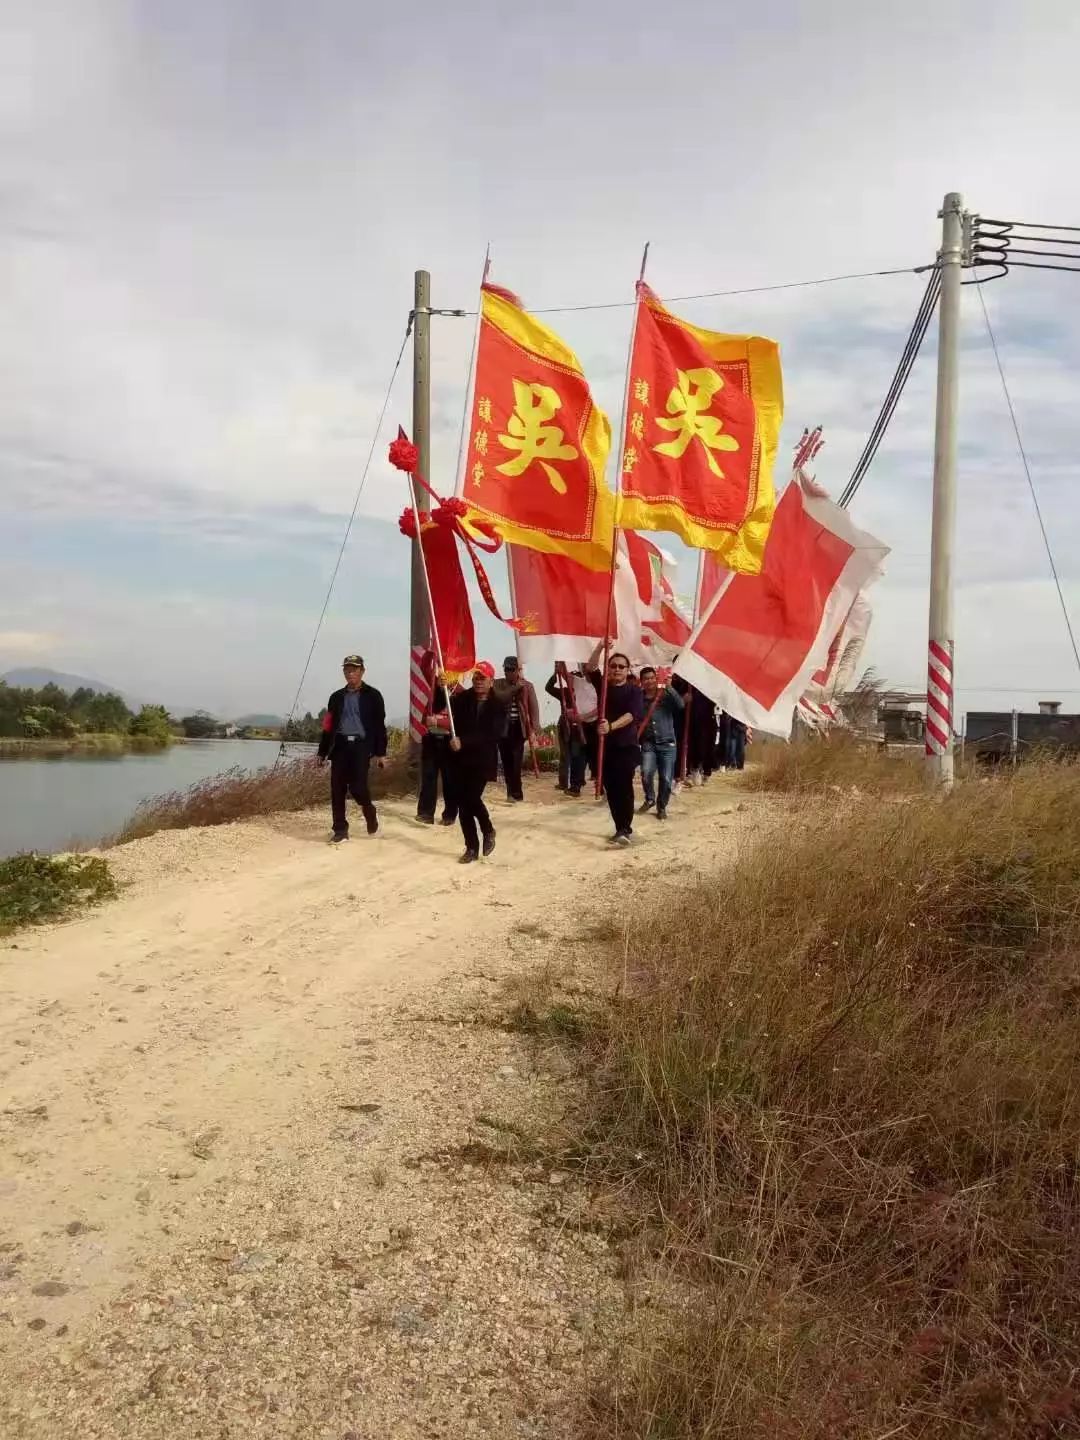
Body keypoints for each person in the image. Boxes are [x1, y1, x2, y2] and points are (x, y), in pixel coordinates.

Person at [317, 654, 387, 843]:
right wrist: (322, 753)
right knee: (337, 788)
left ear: (362, 671)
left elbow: (380, 726)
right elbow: (328, 726)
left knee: (358, 787)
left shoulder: (373, 696)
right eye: (347, 669)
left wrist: (381, 753)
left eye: (354, 669)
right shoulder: (336, 697)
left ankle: (369, 811)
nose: (350, 673)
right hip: (340, 745)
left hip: (361, 746)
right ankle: (340, 830)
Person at [447, 662, 507, 864]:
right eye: (476, 678)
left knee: (471, 798)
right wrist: (442, 686)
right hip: (461, 759)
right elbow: (446, 703)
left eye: (483, 678)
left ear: (491, 681)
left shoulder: (498, 705)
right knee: (463, 805)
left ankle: (488, 828)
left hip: (483, 761)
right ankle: (471, 847)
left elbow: (492, 734)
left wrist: (464, 740)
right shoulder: (464, 699)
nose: (478, 682)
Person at [587, 643, 644, 846]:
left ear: (627, 670)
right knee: (610, 788)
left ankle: (625, 828)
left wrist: (611, 726)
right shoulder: (603, 687)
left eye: (621, 666)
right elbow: (591, 667)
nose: (617, 669)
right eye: (613, 666)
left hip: (626, 745)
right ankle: (619, 825)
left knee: (624, 787)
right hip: (605, 747)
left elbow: (632, 715)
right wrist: (601, 647)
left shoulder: (633, 691)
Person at [637, 666, 684, 820]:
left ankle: (661, 806)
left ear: (656, 679)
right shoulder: (639, 699)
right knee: (646, 773)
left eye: (652, 678)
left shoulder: (665, 695)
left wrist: (669, 686)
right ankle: (649, 798)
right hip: (648, 743)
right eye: (645, 679)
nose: (649, 681)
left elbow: (680, 705)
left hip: (667, 743)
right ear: (641, 682)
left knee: (665, 778)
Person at [545, 663, 598, 797]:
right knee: (574, 755)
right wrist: (558, 667)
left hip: (594, 725)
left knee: (593, 756)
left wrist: (584, 716)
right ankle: (573, 785)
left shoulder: (600, 685)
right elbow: (558, 680)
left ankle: (598, 782)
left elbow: (602, 706)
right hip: (574, 726)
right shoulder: (572, 687)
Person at [493, 656, 539, 803]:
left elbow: (534, 708)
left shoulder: (527, 686)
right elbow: (500, 698)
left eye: (511, 669)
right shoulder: (498, 684)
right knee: (506, 762)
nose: (508, 672)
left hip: (519, 728)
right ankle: (510, 792)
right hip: (503, 729)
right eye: (506, 669)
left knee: (516, 762)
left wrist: (533, 730)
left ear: (518, 670)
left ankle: (517, 793)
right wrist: (515, 688)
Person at [416, 670, 458, 826]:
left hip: (450, 741)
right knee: (428, 777)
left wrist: (439, 722)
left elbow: (460, 721)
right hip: (431, 739)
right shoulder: (434, 692)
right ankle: (425, 813)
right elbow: (425, 665)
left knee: (450, 780)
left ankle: (450, 815)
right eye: (442, 674)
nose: (445, 677)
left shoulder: (461, 693)